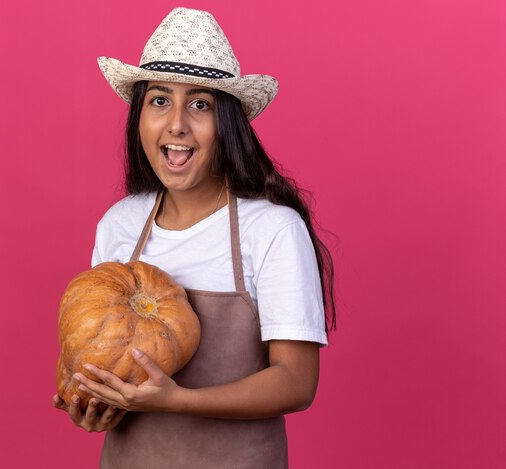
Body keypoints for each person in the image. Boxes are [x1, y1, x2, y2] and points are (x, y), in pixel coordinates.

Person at [53, 7, 336, 468]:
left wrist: (177, 400)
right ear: (139, 117)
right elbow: (101, 353)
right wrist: (94, 404)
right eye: (159, 100)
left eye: (200, 104)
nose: (177, 123)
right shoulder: (119, 224)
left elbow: (296, 381)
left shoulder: (272, 230)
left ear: (228, 124)